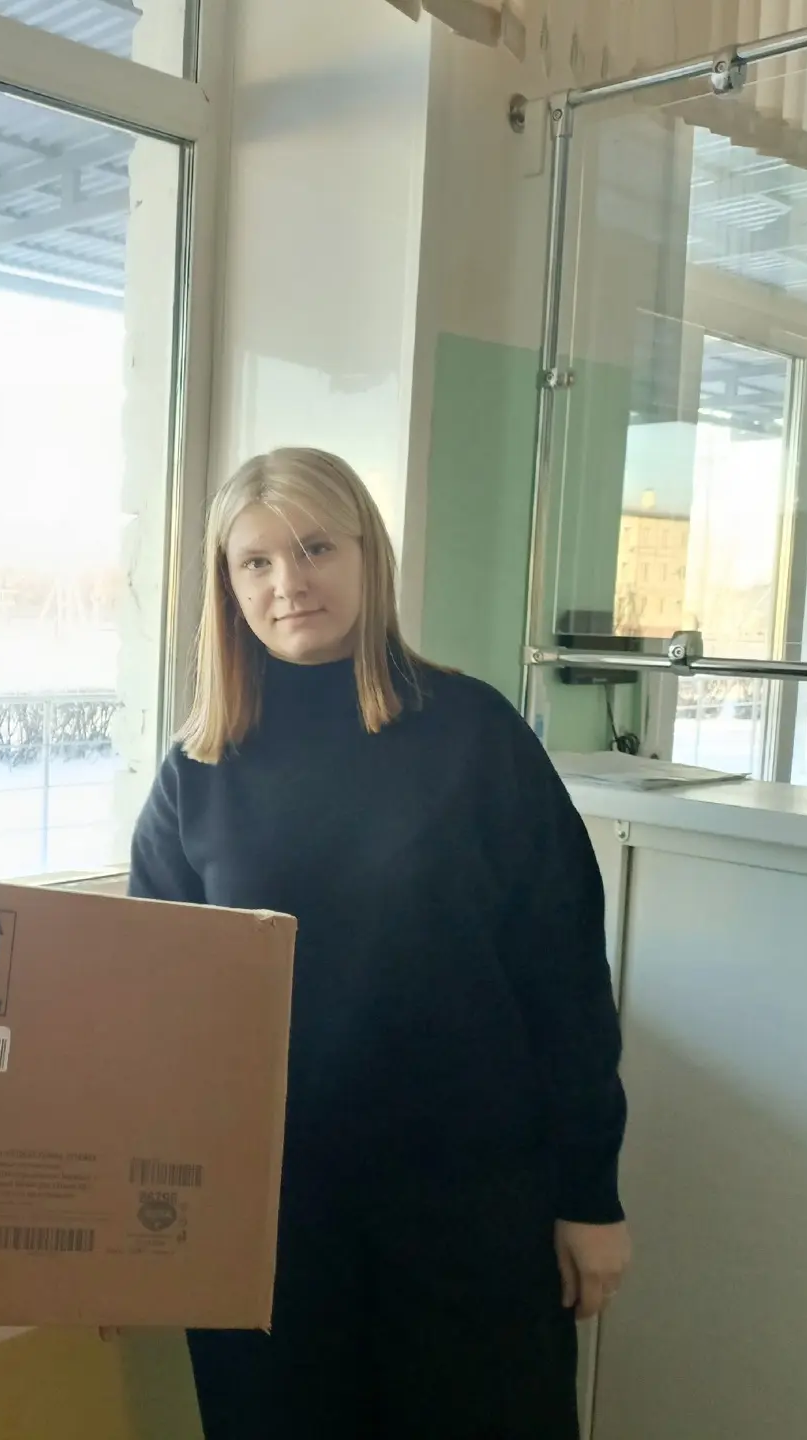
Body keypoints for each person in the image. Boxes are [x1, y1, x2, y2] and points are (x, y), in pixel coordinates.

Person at [130, 448, 631, 1438]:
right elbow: (152, 1013)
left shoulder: (475, 736)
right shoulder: (199, 770)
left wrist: (591, 1195)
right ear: (227, 587)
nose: (289, 581)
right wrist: (128, 1212)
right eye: (257, 561)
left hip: (469, 1217)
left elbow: (567, 981)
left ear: (370, 556)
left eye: (317, 548)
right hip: (266, 1231)